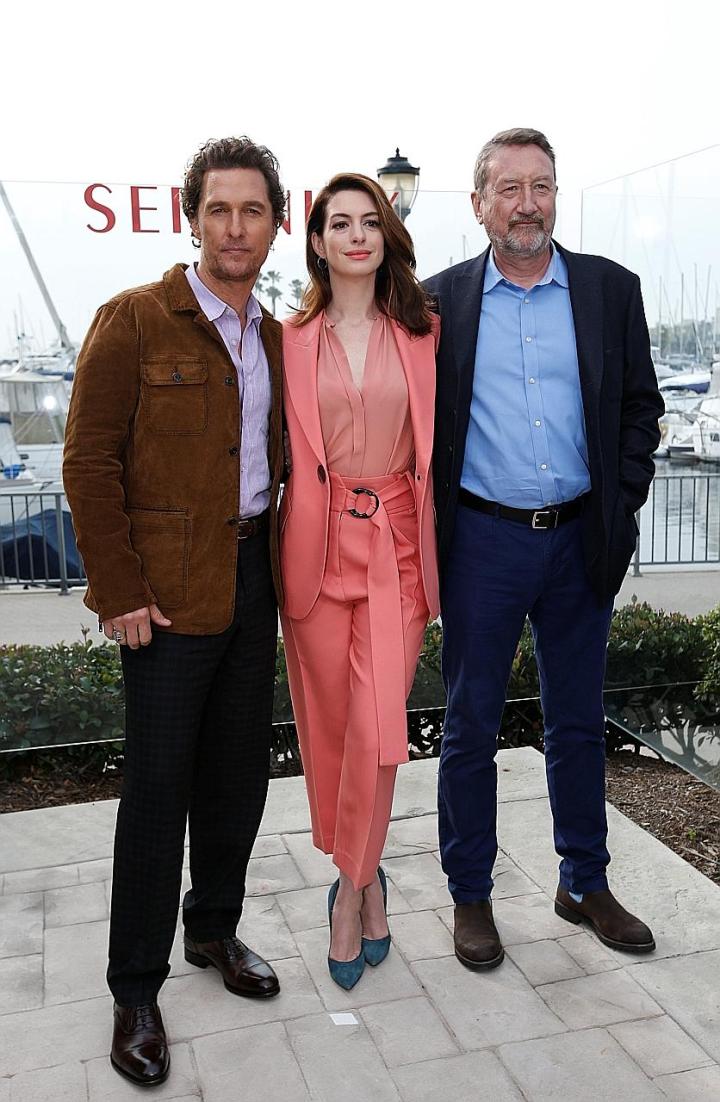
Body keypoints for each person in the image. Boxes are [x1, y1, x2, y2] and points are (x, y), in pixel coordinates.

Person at [63, 137, 286, 1087]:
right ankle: (135, 988)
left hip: (254, 582)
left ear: (275, 224)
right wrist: (118, 592)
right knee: (157, 799)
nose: (236, 228)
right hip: (165, 599)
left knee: (238, 780)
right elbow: (87, 464)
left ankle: (215, 934)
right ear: (193, 217)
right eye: (220, 210)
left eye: (255, 211)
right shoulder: (136, 320)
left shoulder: (275, 333)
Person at [424, 128, 664, 971]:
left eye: (543, 186)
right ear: (480, 202)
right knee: (469, 725)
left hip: (578, 542)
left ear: (556, 194)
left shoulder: (608, 290)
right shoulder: (436, 303)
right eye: (511, 188)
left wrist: (620, 500)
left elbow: (642, 408)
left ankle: (583, 883)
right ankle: (471, 897)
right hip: (480, 543)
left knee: (576, 722)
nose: (528, 203)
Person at [280, 173, 439, 989]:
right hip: (314, 552)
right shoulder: (289, 339)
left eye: (368, 221)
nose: (355, 235)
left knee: (380, 734)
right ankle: (369, 875)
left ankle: (349, 893)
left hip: (399, 554)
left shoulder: (424, 334)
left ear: (386, 235)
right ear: (316, 241)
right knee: (333, 733)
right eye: (338, 223)